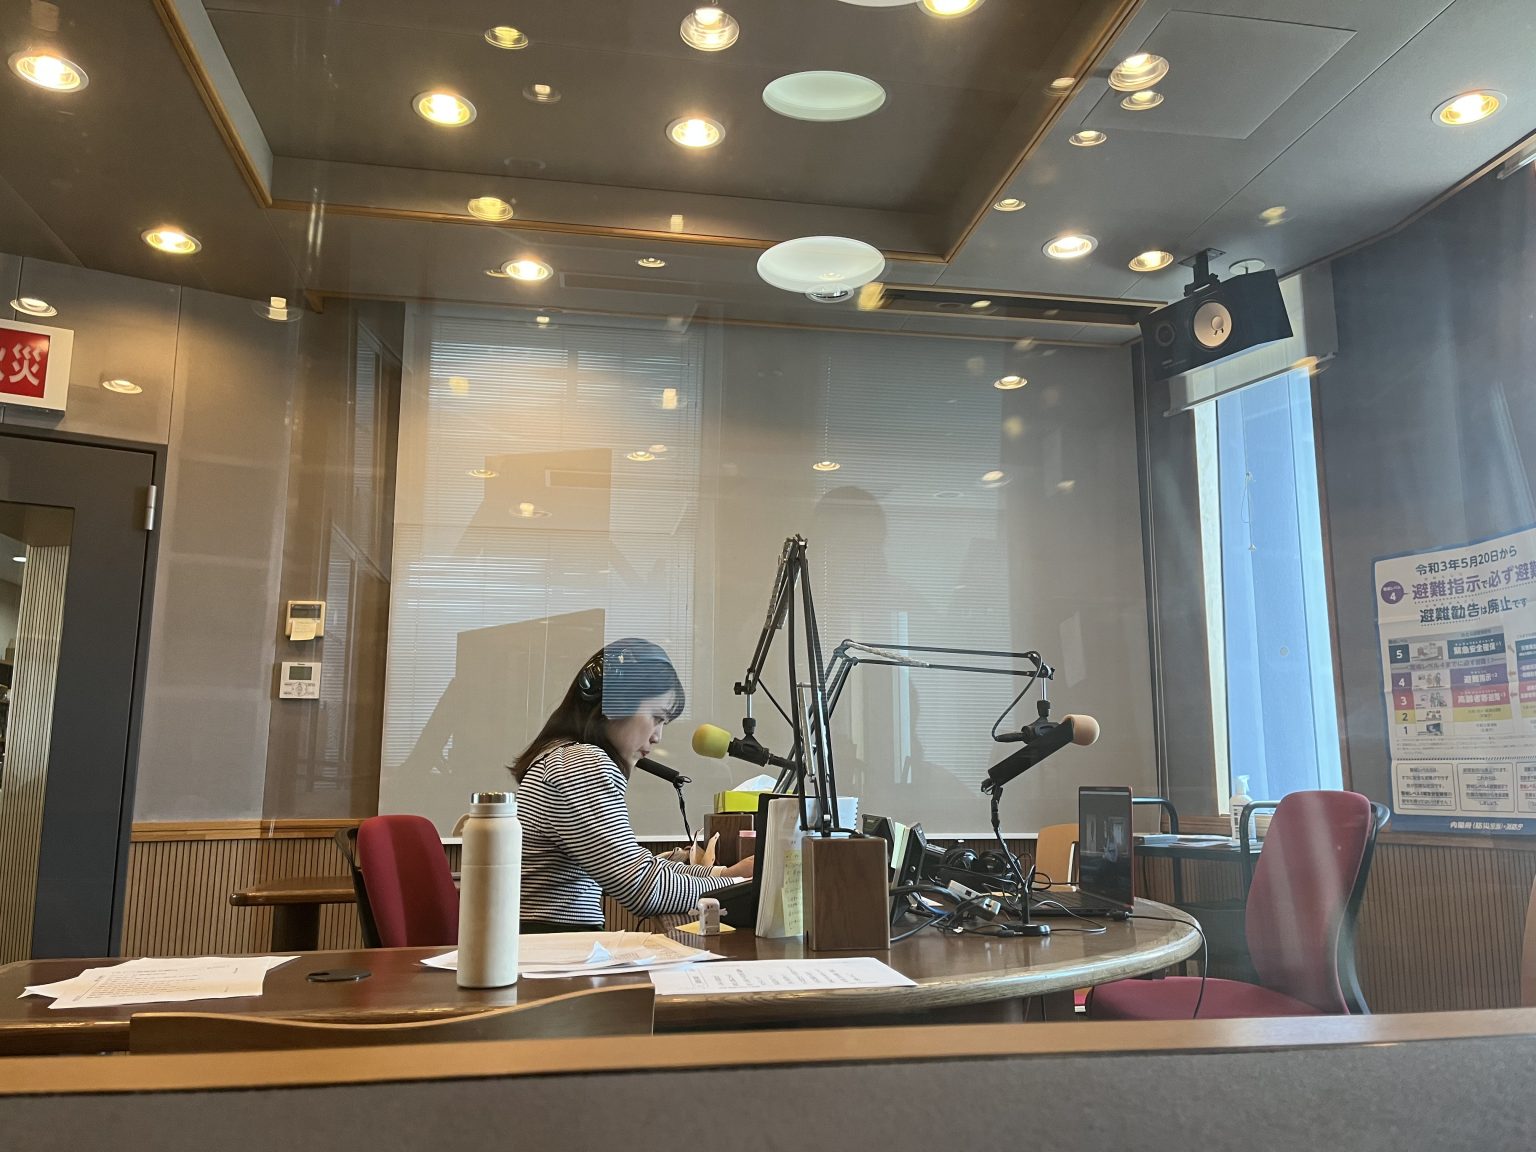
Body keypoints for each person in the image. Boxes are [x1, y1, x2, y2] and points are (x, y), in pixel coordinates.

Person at [511, 637, 753, 932]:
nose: (657, 736)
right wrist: (738, 886)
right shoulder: (579, 764)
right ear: (616, 704)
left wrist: (725, 875)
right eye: (656, 717)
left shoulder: (560, 756)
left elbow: (636, 865)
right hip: (554, 948)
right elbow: (641, 886)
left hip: (548, 943)